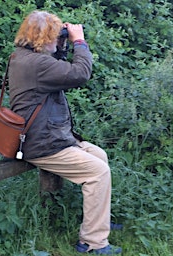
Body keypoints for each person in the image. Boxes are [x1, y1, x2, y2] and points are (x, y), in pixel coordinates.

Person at [8, 10, 122, 254]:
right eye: (54, 35)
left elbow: (57, 63)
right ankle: (93, 243)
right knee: (98, 172)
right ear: (43, 37)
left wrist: (61, 43)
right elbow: (80, 74)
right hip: (42, 144)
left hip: (48, 137)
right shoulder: (37, 64)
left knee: (99, 156)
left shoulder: (24, 56)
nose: (57, 39)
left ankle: (98, 222)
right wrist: (78, 41)